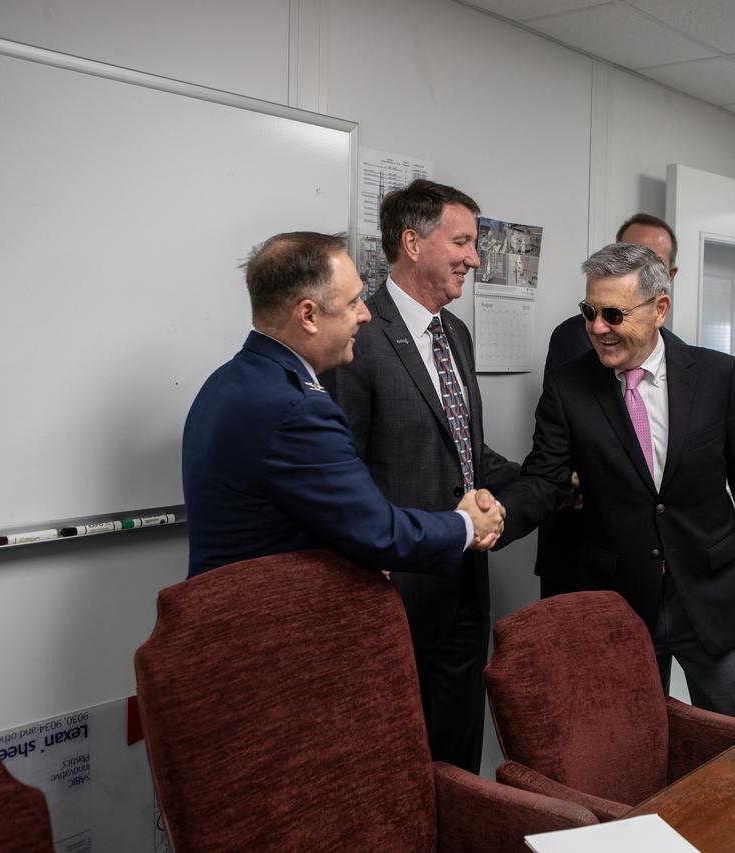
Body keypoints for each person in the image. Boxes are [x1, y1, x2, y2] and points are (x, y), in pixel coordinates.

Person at [501, 242, 735, 722]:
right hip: (621, 598)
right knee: (631, 744)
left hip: (714, 592)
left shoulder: (719, 377)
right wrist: (494, 520)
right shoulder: (569, 386)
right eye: (589, 312)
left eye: (613, 314)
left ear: (660, 309)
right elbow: (545, 478)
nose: (597, 328)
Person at [326, 180, 519, 773]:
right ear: (413, 243)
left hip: (465, 583)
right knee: (392, 761)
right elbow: (344, 469)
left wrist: (551, 482)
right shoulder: (358, 334)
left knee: (457, 756)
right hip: (394, 593)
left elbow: (465, 450)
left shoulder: (454, 333)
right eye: (461, 241)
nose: (475, 258)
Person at [182, 231, 503, 579]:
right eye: (352, 303)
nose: (365, 315)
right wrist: (467, 525)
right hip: (272, 619)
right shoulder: (298, 408)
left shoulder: (225, 381)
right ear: (308, 315)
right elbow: (380, 532)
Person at [536, 212, 680, 599]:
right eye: (591, 313)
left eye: (651, 261)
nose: (600, 328)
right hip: (588, 546)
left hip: (666, 566)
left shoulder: (697, 368)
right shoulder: (574, 348)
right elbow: (553, 460)